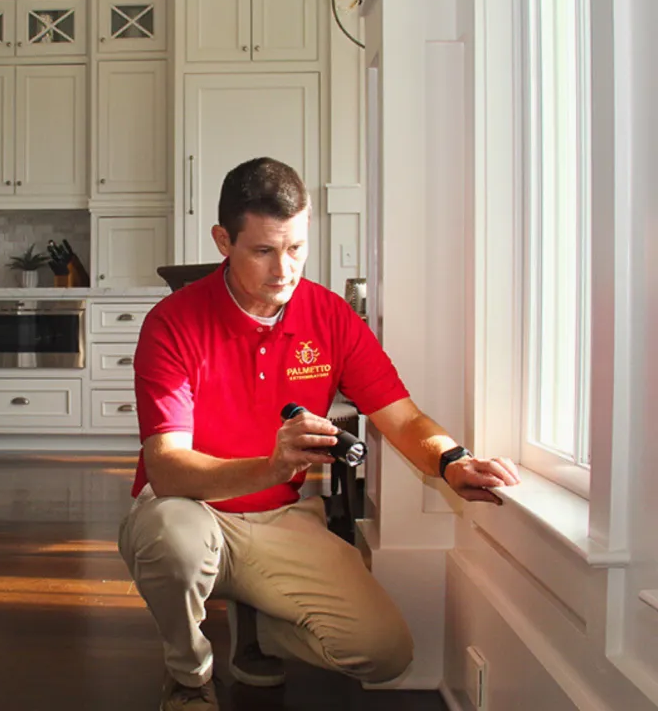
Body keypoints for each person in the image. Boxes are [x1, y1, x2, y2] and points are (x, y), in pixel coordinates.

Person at [119, 157, 521, 711]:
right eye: (263, 250)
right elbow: (166, 468)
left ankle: (258, 630)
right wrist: (272, 465)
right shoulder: (173, 323)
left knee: (386, 654)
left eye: (296, 248)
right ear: (222, 241)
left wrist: (453, 460)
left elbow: (400, 417)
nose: (283, 270)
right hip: (192, 507)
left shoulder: (329, 316)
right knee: (171, 540)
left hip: (281, 517)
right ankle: (189, 675)